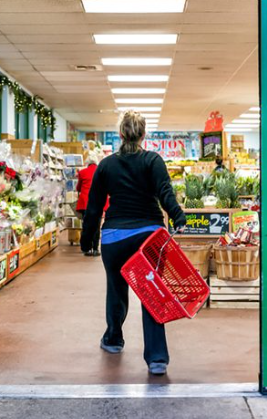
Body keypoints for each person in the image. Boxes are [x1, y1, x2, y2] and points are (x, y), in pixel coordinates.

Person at [81, 111, 186, 376]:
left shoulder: (106, 165)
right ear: (143, 134)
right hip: (149, 237)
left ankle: (114, 340)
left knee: (116, 290)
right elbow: (165, 193)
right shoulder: (153, 160)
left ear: (120, 134)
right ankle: (157, 358)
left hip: (115, 237)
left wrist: (86, 240)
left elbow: (93, 208)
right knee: (152, 293)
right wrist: (178, 217)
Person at [77, 155, 101, 257]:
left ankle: (87, 249)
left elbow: (78, 188)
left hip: (85, 203)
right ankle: (95, 249)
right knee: (96, 226)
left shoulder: (82, 172)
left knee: (86, 226)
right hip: (98, 202)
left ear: (88, 162)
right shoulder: (101, 171)